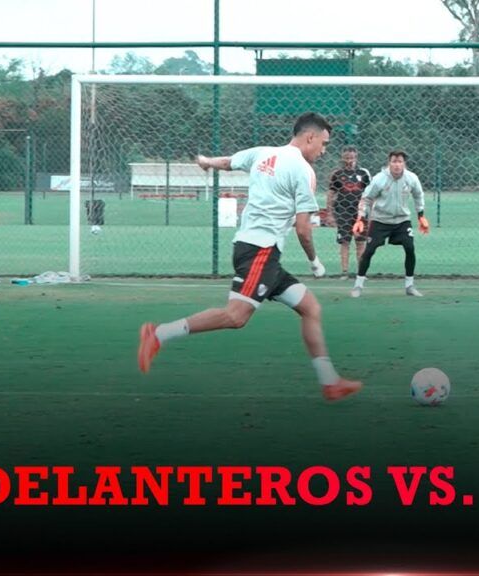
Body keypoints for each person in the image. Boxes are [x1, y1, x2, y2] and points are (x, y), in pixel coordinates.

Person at [137, 112, 362, 401]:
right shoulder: (304, 171)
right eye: (324, 143)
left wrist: (206, 161)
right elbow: (304, 230)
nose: (324, 149)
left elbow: (228, 162)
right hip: (260, 252)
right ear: (310, 137)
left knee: (310, 308)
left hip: (259, 251)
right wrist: (315, 262)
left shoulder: (262, 153)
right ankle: (158, 334)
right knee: (236, 316)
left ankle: (330, 382)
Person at [350, 150, 429, 298]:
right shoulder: (380, 179)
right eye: (394, 161)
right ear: (389, 163)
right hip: (381, 220)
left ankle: (409, 286)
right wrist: (360, 218)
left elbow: (418, 195)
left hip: (402, 220)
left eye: (400, 161)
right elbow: (366, 198)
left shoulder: (411, 178)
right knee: (369, 250)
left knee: (410, 248)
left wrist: (421, 216)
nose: (397, 165)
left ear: (404, 164)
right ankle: (358, 285)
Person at [326, 146, 371, 279]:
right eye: (346, 158)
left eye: (352, 158)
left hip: (360, 213)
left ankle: (361, 272)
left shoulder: (363, 173)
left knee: (360, 241)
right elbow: (331, 193)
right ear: (342, 158)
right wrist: (329, 213)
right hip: (343, 211)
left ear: (356, 158)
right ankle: (344, 272)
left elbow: (371, 193)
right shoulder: (337, 174)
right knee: (345, 241)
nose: (349, 161)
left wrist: (372, 210)